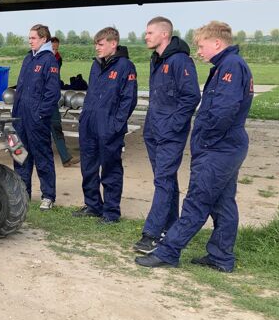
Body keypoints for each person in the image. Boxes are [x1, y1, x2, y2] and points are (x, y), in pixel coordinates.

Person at [137, 21, 254, 272]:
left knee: (196, 201)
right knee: (223, 203)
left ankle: (169, 251)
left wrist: (206, 141)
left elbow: (223, 111)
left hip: (219, 148)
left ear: (217, 43)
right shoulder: (225, 65)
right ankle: (221, 256)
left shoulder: (231, 66)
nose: (198, 51)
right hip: (226, 146)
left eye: (201, 46)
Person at [133, 17, 201, 254]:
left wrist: (173, 125)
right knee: (166, 180)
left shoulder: (180, 60)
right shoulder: (157, 59)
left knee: (163, 180)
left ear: (164, 35)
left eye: (150, 32)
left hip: (170, 133)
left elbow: (191, 96)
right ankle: (170, 227)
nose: (146, 36)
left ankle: (151, 233)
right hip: (154, 130)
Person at [73, 27, 137, 224]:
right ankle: (93, 205)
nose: (97, 48)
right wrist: (84, 118)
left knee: (110, 170)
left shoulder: (125, 66)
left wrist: (116, 125)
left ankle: (111, 212)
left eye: (100, 44)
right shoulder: (96, 65)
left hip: (109, 127)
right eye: (96, 44)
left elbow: (129, 100)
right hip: (90, 125)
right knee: (88, 167)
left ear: (113, 44)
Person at [12, 24, 61, 210]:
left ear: (43, 39)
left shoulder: (49, 60)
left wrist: (40, 114)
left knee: (42, 157)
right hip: (21, 117)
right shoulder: (28, 58)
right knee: (20, 156)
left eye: (33, 38)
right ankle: (23, 193)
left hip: (37, 119)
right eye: (30, 38)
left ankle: (48, 195)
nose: (30, 40)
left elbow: (52, 92)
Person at [49, 36, 79, 167]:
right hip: (39, 101)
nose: (55, 50)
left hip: (51, 99)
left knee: (56, 127)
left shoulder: (58, 59)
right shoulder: (35, 59)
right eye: (52, 48)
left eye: (56, 48)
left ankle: (66, 158)